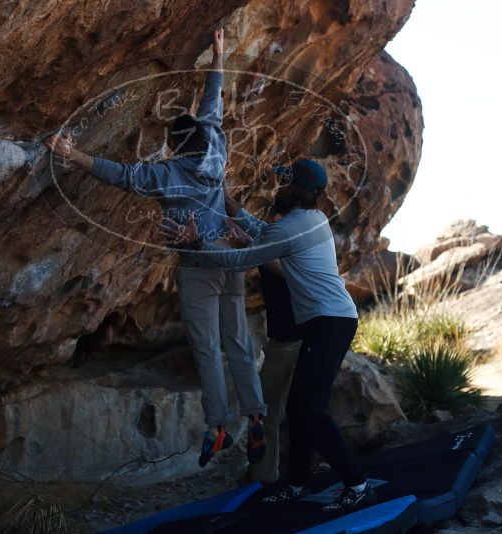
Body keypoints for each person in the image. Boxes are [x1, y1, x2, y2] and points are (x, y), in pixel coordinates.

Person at [44, 28, 268, 468]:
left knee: (206, 348)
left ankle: (218, 425)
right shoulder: (216, 144)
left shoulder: (166, 175)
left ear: (173, 145)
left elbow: (120, 175)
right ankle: (256, 416)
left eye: (169, 142)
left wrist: (72, 154)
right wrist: (218, 55)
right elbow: (213, 100)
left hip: (200, 263)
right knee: (238, 342)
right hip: (231, 255)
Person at [160, 159, 373, 514]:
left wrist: (197, 241)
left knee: (310, 408)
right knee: (299, 408)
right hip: (331, 320)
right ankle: (299, 482)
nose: (279, 185)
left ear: (296, 189)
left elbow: (238, 258)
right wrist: (228, 203)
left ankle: (357, 483)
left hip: (330, 322)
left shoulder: (289, 228)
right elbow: (263, 232)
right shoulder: (312, 219)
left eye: (284, 181)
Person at [223, 190, 303, 485]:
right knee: (265, 415)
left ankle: (299, 476)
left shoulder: (298, 248)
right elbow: (240, 216)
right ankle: (264, 478)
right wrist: (222, 191)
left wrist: (253, 246)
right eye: (276, 220)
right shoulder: (270, 240)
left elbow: (288, 271)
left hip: (304, 345)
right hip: (277, 345)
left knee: (303, 414)